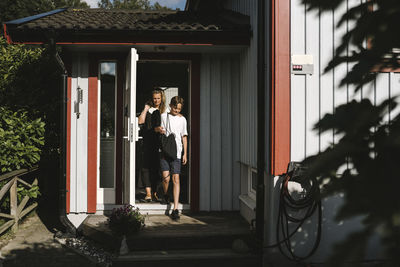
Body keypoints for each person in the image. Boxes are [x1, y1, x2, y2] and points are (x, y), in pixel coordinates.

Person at [156, 96, 188, 220]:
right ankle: (165, 194)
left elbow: (184, 136)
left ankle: (175, 208)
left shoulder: (183, 120)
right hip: (164, 151)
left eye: (179, 109)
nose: (177, 111)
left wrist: (185, 153)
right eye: (175, 108)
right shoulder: (164, 116)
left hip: (177, 153)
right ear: (170, 105)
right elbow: (157, 130)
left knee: (176, 178)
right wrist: (159, 129)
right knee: (166, 179)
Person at [138, 89, 166, 202]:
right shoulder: (149, 110)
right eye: (154, 98)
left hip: (160, 142)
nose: (156, 100)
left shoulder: (165, 110)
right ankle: (148, 193)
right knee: (146, 168)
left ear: (162, 98)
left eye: (158, 98)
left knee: (157, 168)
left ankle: (155, 192)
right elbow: (140, 121)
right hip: (148, 142)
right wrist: (145, 109)